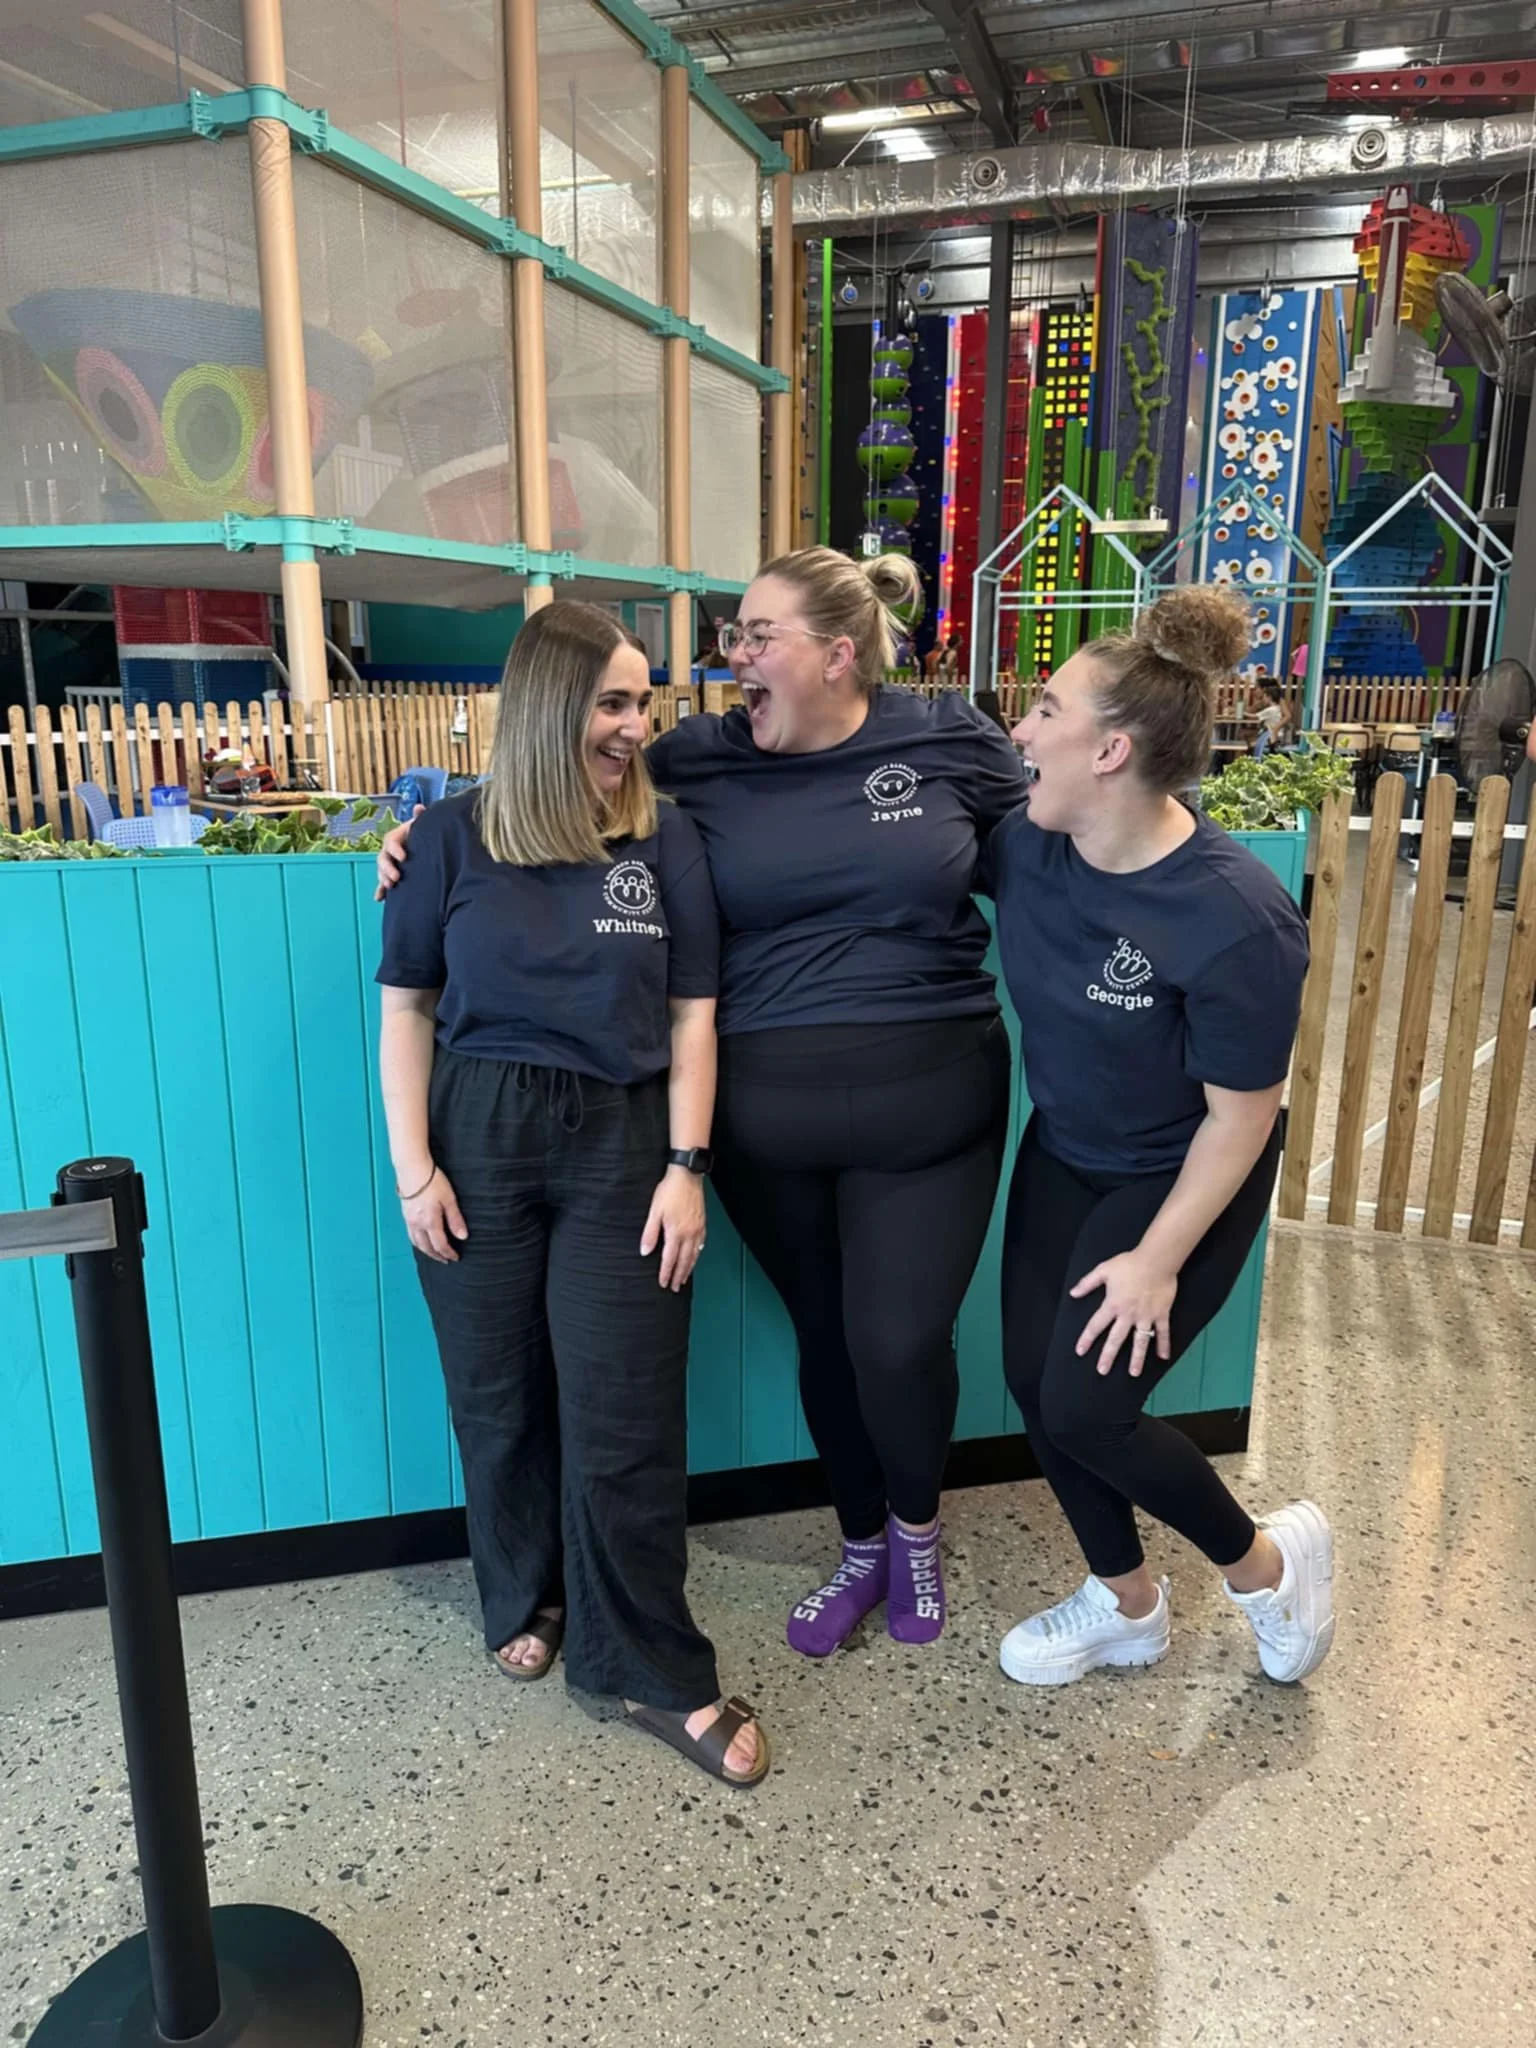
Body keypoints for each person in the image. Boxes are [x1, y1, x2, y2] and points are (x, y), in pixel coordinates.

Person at [381, 549, 1027, 1658]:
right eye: (731, 638)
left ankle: (910, 1534)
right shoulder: (703, 761)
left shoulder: (944, 736)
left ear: (838, 650)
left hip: (924, 1099)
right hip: (747, 1116)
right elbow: (546, 780)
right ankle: (851, 1543)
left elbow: (1058, 854)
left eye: (755, 637)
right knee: (814, 1339)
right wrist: (413, 832)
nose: (731, 662)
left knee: (894, 1338)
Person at [376, 601, 767, 1787]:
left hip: (625, 1135)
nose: (635, 725)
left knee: (624, 1412)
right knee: (495, 1393)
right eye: (612, 702)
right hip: (477, 1130)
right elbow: (406, 1008)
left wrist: (687, 1168)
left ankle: (648, 1663)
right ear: (551, 706)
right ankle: (525, 1590)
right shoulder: (445, 838)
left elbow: (697, 1016)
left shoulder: (668, 840)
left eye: (643, 701)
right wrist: (414, 1170)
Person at [987, 586, 1334, 1689]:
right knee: (1036, 1387)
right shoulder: (1029, 840)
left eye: (1046, 711)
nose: (1021, 732)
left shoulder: (1236, 920)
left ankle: (1270, 1566)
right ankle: (1127, 1605)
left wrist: (1155, 1259)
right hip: (1067, 1149)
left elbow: (1243, 1119)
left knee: (1091, 1403)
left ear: (1113, 749)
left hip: (1184, 1172)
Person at [1254, 679, 1292, 756]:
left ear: (1264, 689)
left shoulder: (1279, 700)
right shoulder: (1263, 700)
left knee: (1245, 737)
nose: (1255, 690)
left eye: (1256, 688)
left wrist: (1275, 729)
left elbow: (1288, 716)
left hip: (1276, 733)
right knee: (1243, 734)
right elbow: (1250, 710)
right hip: (1264, 729)